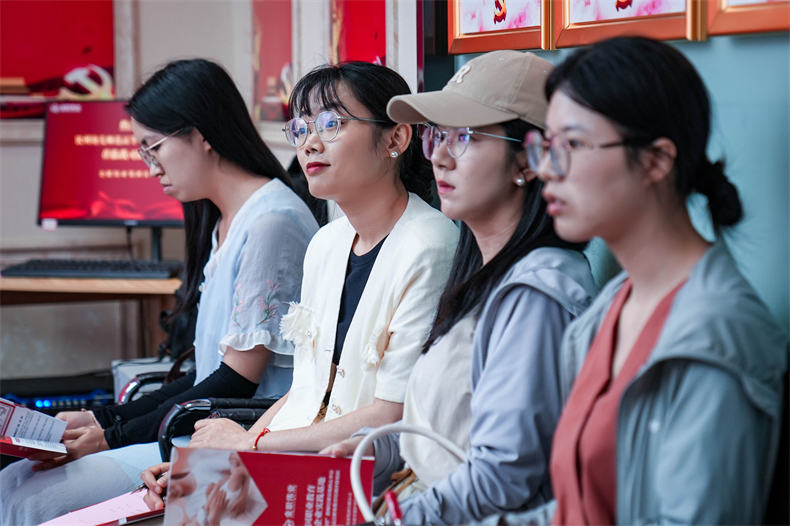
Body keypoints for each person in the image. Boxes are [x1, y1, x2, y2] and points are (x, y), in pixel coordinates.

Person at [0, 58, 319, 526]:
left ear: (200, 134)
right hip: (201, 427)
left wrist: (110, 436)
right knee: (15, 480)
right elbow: (204, 376)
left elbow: (234, 384)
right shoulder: (226, 221)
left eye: (153, 148)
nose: (151, 168)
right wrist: (104, 420)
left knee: (32, 499)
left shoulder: (271, 224)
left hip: (243, 441)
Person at [140, 61, 459, 508]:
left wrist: (249, 446)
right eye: (302, 128)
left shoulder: (429, 245)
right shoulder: (327, 243)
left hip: (364, 479)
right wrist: (219, 459)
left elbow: (392, 412)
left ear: (396, 138)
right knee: (168, 501)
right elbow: (306, 390)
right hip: (295, 462)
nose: (310, 143)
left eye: (331, 124)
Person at [322, 50, 598, 525]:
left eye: (465, 136)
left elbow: (502, 476)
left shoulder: (535, 295)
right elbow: (452, 431)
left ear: (529, 158)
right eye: (437, 135)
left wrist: (401, 518)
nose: (439, 157)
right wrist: (376, 452)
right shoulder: (483, 272)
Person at [525, 37, 787, 524]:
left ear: (656, 161)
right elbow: (577, 510)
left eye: (572, 145)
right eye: (545, 145)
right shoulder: (609, 309)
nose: (544, 169)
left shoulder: (718, 336)